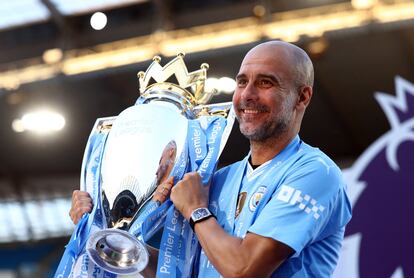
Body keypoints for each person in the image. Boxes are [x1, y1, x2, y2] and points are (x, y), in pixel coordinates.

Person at [70, 40, 352, 277]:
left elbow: (245, 269)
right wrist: (107, 233)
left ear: (302, 97)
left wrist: (196, 211)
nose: (248, 95)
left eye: (265, 83)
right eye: (242, 82)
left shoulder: (315, 172)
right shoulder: (219, 180)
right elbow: (180, 269)